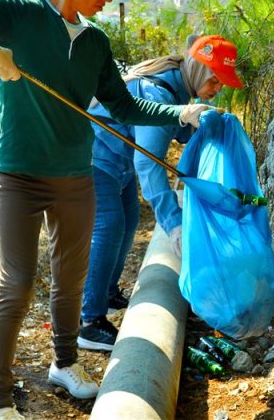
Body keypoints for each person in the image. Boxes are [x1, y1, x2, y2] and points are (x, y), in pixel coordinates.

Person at [0, 0, 216, 420]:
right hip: (18, 177)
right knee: (16, 285)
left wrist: (180, 114)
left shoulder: (96, 42)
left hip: (75, 178)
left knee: (71, 277)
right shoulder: (21, 14)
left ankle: (64, 364)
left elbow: (123, 104)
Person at [78, 34, 244, 351]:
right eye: (215, 81)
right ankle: (89, 321)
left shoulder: (177, 86)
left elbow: (174, 130)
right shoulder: (159, 92)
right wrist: (174, 224)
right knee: (109, 224)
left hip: (117, 161)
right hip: (96, 158)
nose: (217, 88)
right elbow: (148, 162)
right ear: (197, 69)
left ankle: (108, 292)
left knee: (126, 223)